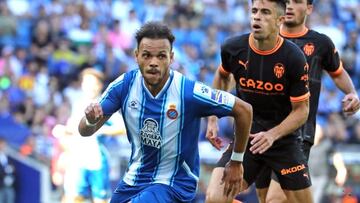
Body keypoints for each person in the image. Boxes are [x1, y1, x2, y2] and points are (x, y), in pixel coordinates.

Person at [77, 21, 253, 203]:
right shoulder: (124, 86)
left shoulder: (188, 91)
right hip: (134, 179)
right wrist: (90, 120)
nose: (153, 62)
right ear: (136, 56)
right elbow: (84, 130)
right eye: (147, 55)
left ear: (171, 58)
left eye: (161, 56)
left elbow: (244, 110)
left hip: (175, 183)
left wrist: (236, 161)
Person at [205, 0, 313, 203]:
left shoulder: (294, 58)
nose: (257, 16)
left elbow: (301, 111)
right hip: (247, 139)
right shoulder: (233, 47)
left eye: (265, 12)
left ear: (279, 20)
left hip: (283, 142)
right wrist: (213, 116)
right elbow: (222, 76)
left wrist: (272, 135)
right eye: (254, 11)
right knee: (215, 199)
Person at [258, 0, 360, 202]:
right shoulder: (263, 40)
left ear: (309, 9)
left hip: (298, 134)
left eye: (296, 2)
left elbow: (338, 72)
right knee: (265, 197)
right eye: (285, 2)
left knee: (275, 199)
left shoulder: (320, 43)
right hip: (263, 132)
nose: (289, 6)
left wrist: (352, 93)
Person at [53, 68, 125, 203]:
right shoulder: (78, 103)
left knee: (100, 199)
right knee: (72, 198)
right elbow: (75, 129)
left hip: (97, 159)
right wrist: (65, 130)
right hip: (77, 159)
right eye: (87, 83)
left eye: (94, 83)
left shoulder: (106, 105)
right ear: (82, 85)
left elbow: (123, 128)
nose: (90, 86)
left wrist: (100, 131)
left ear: (100, 85)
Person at [0, 138, 15, 203]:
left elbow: (12, 168)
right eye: (2, 144)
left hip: (9, 185)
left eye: (4, 144)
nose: (3, 146)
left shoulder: (7, 156)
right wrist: (5, 170)